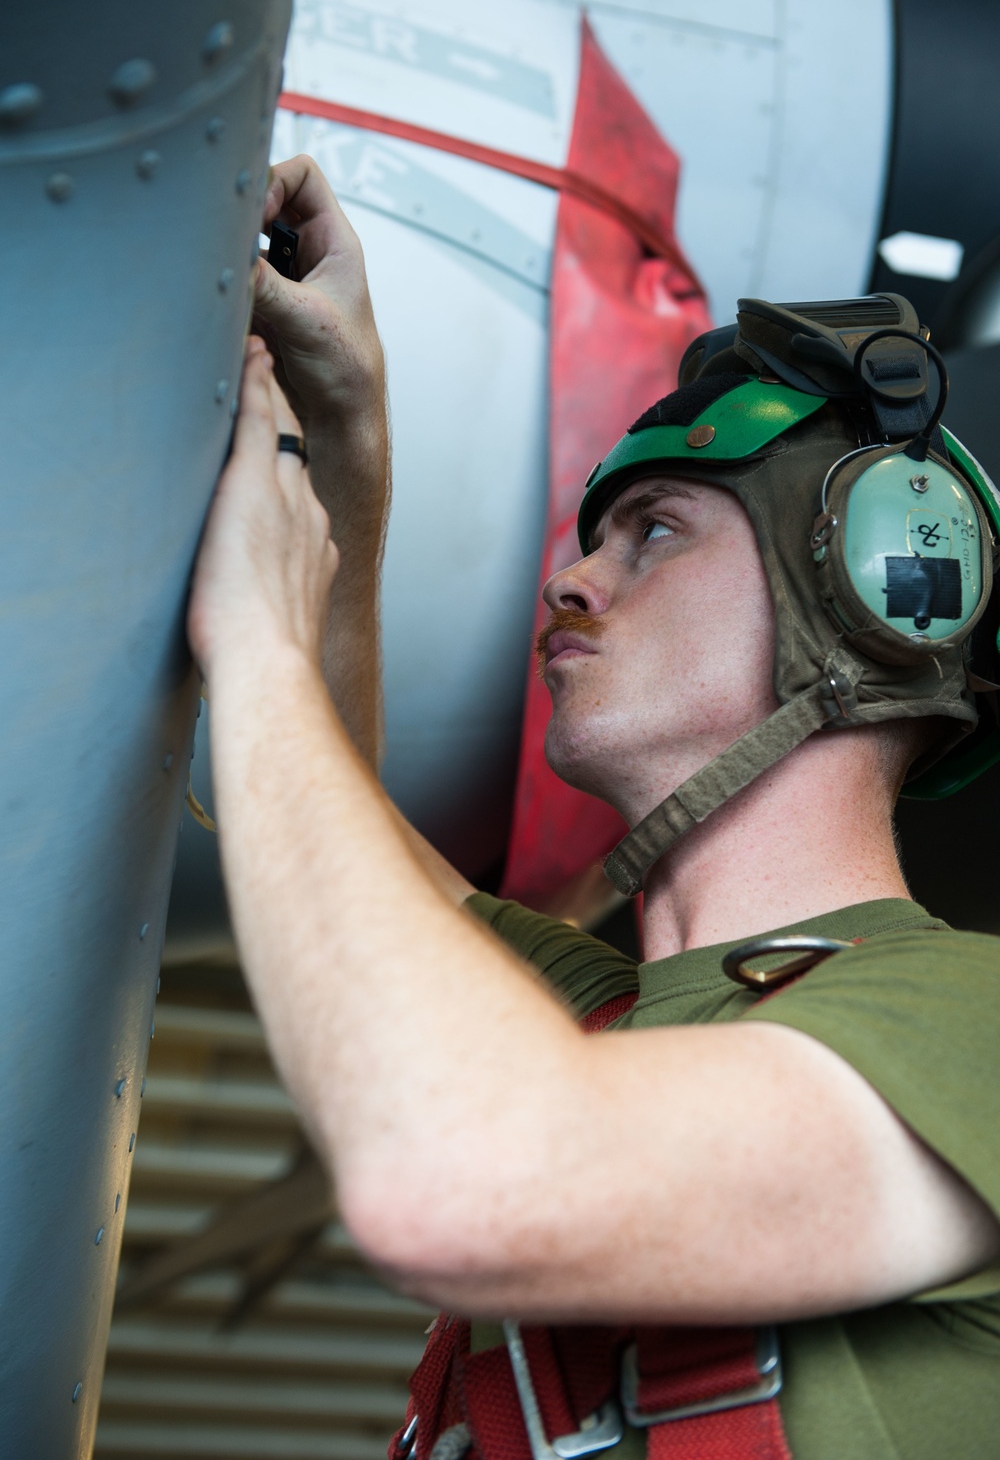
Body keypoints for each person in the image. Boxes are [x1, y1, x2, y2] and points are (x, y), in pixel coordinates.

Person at [188, 156, 1000, 1460]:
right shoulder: (603, 1018)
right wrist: (348, 423)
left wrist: (264, 635)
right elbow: (316, 810)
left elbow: (467, 1186)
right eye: (593, 539)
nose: (571, 580)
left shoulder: (979, 1028)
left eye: (658, 533)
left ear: (868, 588)